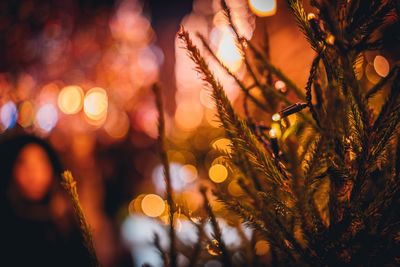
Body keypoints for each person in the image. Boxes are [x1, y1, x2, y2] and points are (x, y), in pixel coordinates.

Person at [0, 134, 92, 266]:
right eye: (23, 163)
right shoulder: (6, 223)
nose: (33, 173)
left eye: (40, 162)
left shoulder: (64, 222)